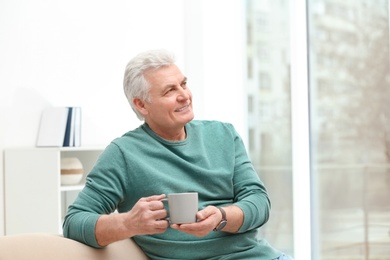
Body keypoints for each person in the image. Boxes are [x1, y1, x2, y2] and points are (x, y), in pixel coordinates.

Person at [63, 49, 293, 260]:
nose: (185, 95)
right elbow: (74, 222)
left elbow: (259, 202)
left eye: (183, 84)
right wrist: (128, 223)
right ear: (141, 105)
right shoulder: (123, 154)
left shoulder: (224, 135)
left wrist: (221, 217)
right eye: (170, 90)